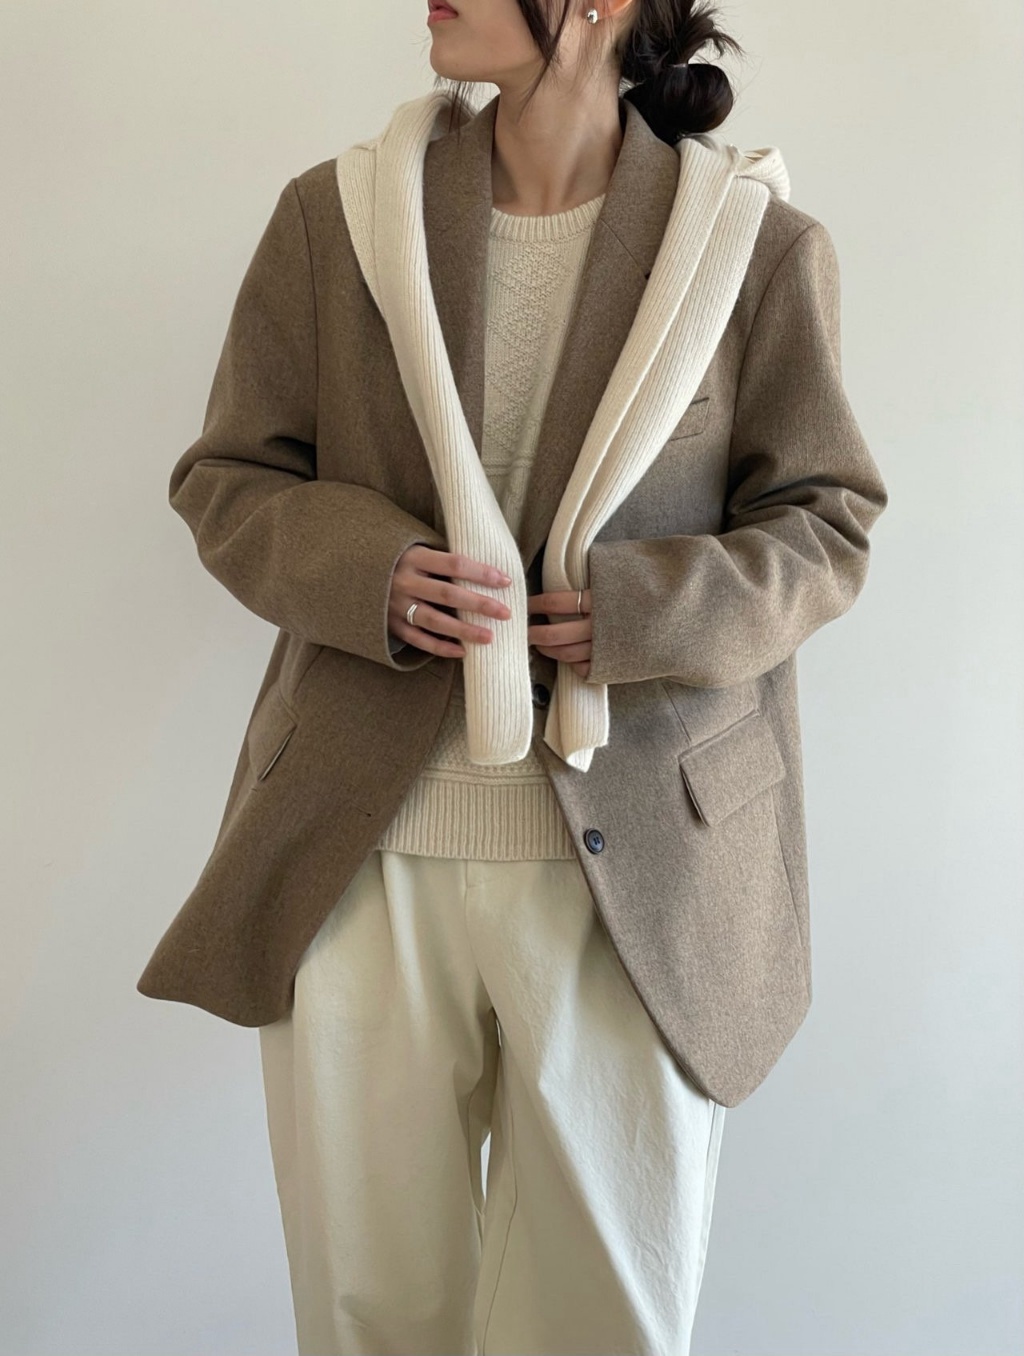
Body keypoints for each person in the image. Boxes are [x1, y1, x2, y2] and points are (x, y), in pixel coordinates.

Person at [137, 0, 889, 1352]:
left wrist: (641, 612)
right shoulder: (337, 218)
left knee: (599, 1322)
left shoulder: (755, 248)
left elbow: (826, 524)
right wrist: (368, 570)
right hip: (364, 851)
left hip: (638, 866)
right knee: (370, 1316)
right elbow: (231, 477)